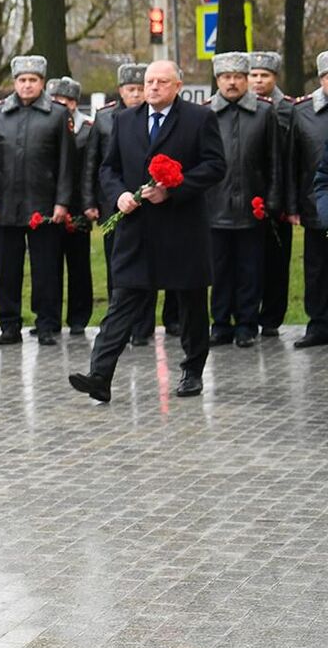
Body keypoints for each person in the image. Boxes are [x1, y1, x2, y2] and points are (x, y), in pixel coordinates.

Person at [69, 60, 227, 402]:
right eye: (149, 81)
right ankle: (100, 375)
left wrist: (174, 188)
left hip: (182, 226)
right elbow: (108, 168)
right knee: (123, 299)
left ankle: (192, 370)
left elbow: (215, 166)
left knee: (190, 302)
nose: (152, 87)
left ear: (177, 86)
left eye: (161, 82)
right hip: (137, 228)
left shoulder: (199, 119)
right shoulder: (125, 120)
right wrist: (119, 195)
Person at [0, 55, 72, 346]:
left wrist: (62, 202)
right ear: (14, 82)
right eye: (22, 80)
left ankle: (46, 324)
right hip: (6, 203)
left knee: (46, 269)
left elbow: (65, 164)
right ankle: (9, 325)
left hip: (43, 204)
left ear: (42, 83)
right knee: (8, 269)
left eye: (33, 80)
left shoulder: (57, 115)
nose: (27, 85)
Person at [205, 51, 281, 348]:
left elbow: (274, 160)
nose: (232, 82)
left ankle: (247, 325)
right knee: (219, 269)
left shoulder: (264, 112)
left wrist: (272, 199)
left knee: (250, 269)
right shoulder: (205, 113)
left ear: (246, 79)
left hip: (253, 205)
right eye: (226, 77)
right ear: (218, 80)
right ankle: (220, 324)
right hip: (215, 206)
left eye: (238, 77)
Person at [99, 64, 157, 347]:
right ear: (120, 91)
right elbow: (98, 165)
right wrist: (110, 198)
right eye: (129, 89)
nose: (135, 94)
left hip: (151, 204)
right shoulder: (104, 119)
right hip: (116, 205)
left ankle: (143, 327)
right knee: (118, 267)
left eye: (139, 89)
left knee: (147, 267)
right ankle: (117, 324)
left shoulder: (157, 118)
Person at [248, 51, 296, 338]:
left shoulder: (288, 108)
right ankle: (249, 313)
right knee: (252, 260)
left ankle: (272, 318)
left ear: (274, 78)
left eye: (264, 75)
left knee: (278, 260)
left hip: (280, 193)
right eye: (253, 75)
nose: (258, 80)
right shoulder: (247, 107)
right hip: (252, 194)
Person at [46, 77, 99, 335]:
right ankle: (50, 317)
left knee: (79, 265)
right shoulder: (45, 125)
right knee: (50, 265)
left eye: (64, 102)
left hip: (78, 207)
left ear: (75, 103)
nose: (58, 105)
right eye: (54, 101)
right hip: (51, 205)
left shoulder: (88, 129)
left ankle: (79, 317)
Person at [292, 52, 328, 350]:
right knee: (317, 268)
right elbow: (291, 161)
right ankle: (318, 324)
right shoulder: (302, 111)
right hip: (317, 205)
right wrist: (292, 204)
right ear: (321, 78)